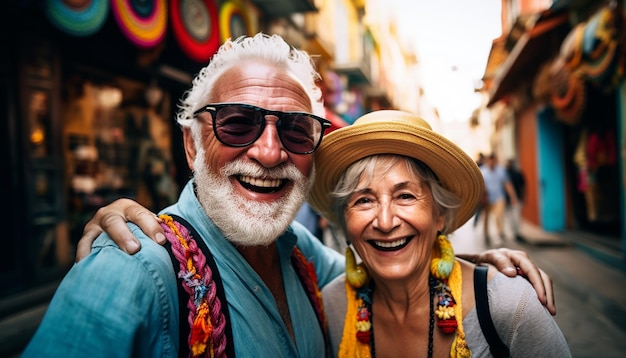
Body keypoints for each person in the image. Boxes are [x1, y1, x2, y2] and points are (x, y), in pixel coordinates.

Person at [25, 33, 554, 357]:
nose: (271, 152)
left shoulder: (299, 252)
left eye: (296, 131)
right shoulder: (129, 267)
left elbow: (384, 269)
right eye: (238, 124)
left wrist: (469, 268)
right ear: (191, 145)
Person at [308, 110, 571, 357]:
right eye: (364, 200)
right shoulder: (332, 307)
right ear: (344, 219)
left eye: (406, 196)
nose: (385, 222)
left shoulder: (508, 305)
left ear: (440, 215)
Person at [480, 153, 518, 247]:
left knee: (499, 216)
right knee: (486, 218)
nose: (492, 162)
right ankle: (486, 235)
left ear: (495, 160)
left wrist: (513, 197)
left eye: (494, 160)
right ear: (488, 161)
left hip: (499, 198)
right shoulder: (482, 171)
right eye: (490, 160)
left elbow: (507, 184)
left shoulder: (501, 171)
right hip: (487, 199)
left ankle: (499, 234)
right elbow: (480, 186)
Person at [505, 159, 526, 242]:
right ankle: (514, 233)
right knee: (511, 217)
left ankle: (517, 233)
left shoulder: (518, 174)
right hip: (508, 200)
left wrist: (522, 197)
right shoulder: (505, 174)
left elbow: (523, 187)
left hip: (517, 199)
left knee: (516, 217)